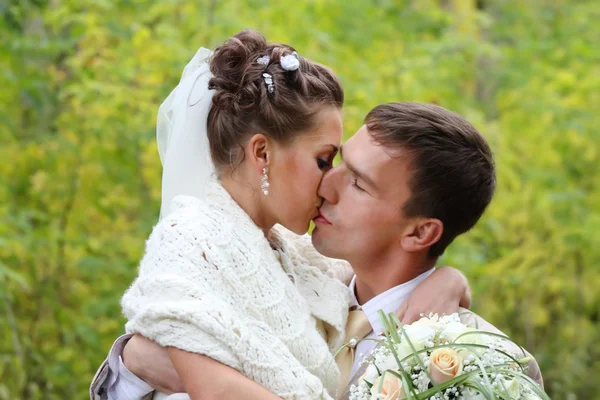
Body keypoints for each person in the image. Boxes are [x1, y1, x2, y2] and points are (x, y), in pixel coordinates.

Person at [90, 31, 470, 400]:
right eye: (323, 160)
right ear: (262, 154)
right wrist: (134, 358)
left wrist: (448, 280)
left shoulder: (297, 254)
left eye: (352, 177)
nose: (328, 184)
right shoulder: (192, 242)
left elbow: (377, 278)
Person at [92, 103, 544, 400]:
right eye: (335, 162)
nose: (326, 185)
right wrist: (139, 361)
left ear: (420, 232)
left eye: (359, 184)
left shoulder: (480, 361)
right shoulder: (279, 274)